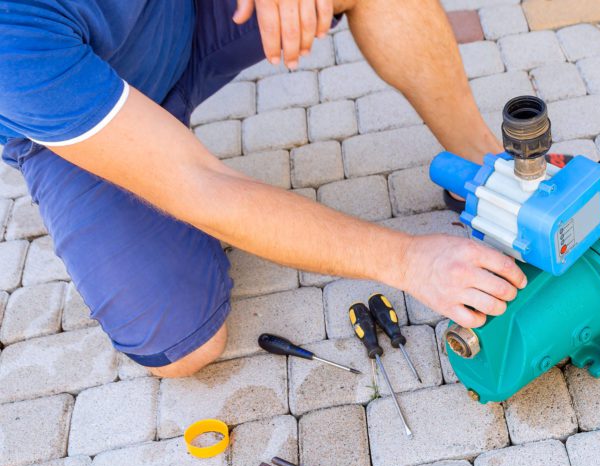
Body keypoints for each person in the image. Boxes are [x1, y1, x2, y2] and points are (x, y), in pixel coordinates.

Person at [0, 0, 530, 377]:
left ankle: (487, 173)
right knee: (183, 346)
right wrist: (409, 261)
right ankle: (150, 165)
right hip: (78, 128)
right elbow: (200, 186)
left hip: (182, 17)